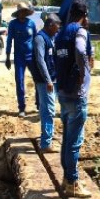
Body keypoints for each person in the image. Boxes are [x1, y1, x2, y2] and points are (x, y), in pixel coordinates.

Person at [55, 0, 92, 198]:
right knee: (75, 141)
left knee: (67, 139)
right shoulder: (80, 31)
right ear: (84, 15)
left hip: (62, 92)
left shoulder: (61, 33)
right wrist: (82, 70)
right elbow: (79, 50)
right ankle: (73, 183)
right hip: (77, 95)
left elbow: (56, 58)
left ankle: (66, 178)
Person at [34, 13, 61, 153]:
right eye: (57, 26)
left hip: (53, 79)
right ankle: (46, 143)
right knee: (49, 110)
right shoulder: (40, 38)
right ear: (50, 25)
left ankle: (48, 136)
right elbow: (40, 60)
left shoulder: (52, 37)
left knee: (48, 109)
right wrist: (48, 80)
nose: (58, 29)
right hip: (45, 81)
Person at [5, 2, 38, 117]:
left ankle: (39, 103)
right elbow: (9, 40)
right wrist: (7, 57)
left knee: (37, 79)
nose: (22, 14)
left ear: (26, 12)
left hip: (31, 56)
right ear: (18, 13)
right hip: (19, 57)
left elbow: (36, 40)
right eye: (20, 12)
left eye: (24, 11)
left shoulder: (31, 24)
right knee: (19, 81)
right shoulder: (13, 24)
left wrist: (39, 55)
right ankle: (21, 108)